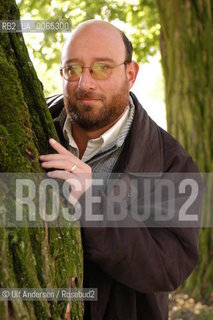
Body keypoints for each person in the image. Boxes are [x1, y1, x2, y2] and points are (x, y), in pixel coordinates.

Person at [39, 20, 203, 320]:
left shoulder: (173, 165)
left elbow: (167, 269)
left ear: (131, 74)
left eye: (102, 68)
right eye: (72, 69)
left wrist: (93, 205)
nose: (84, 83)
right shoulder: (31, 125)